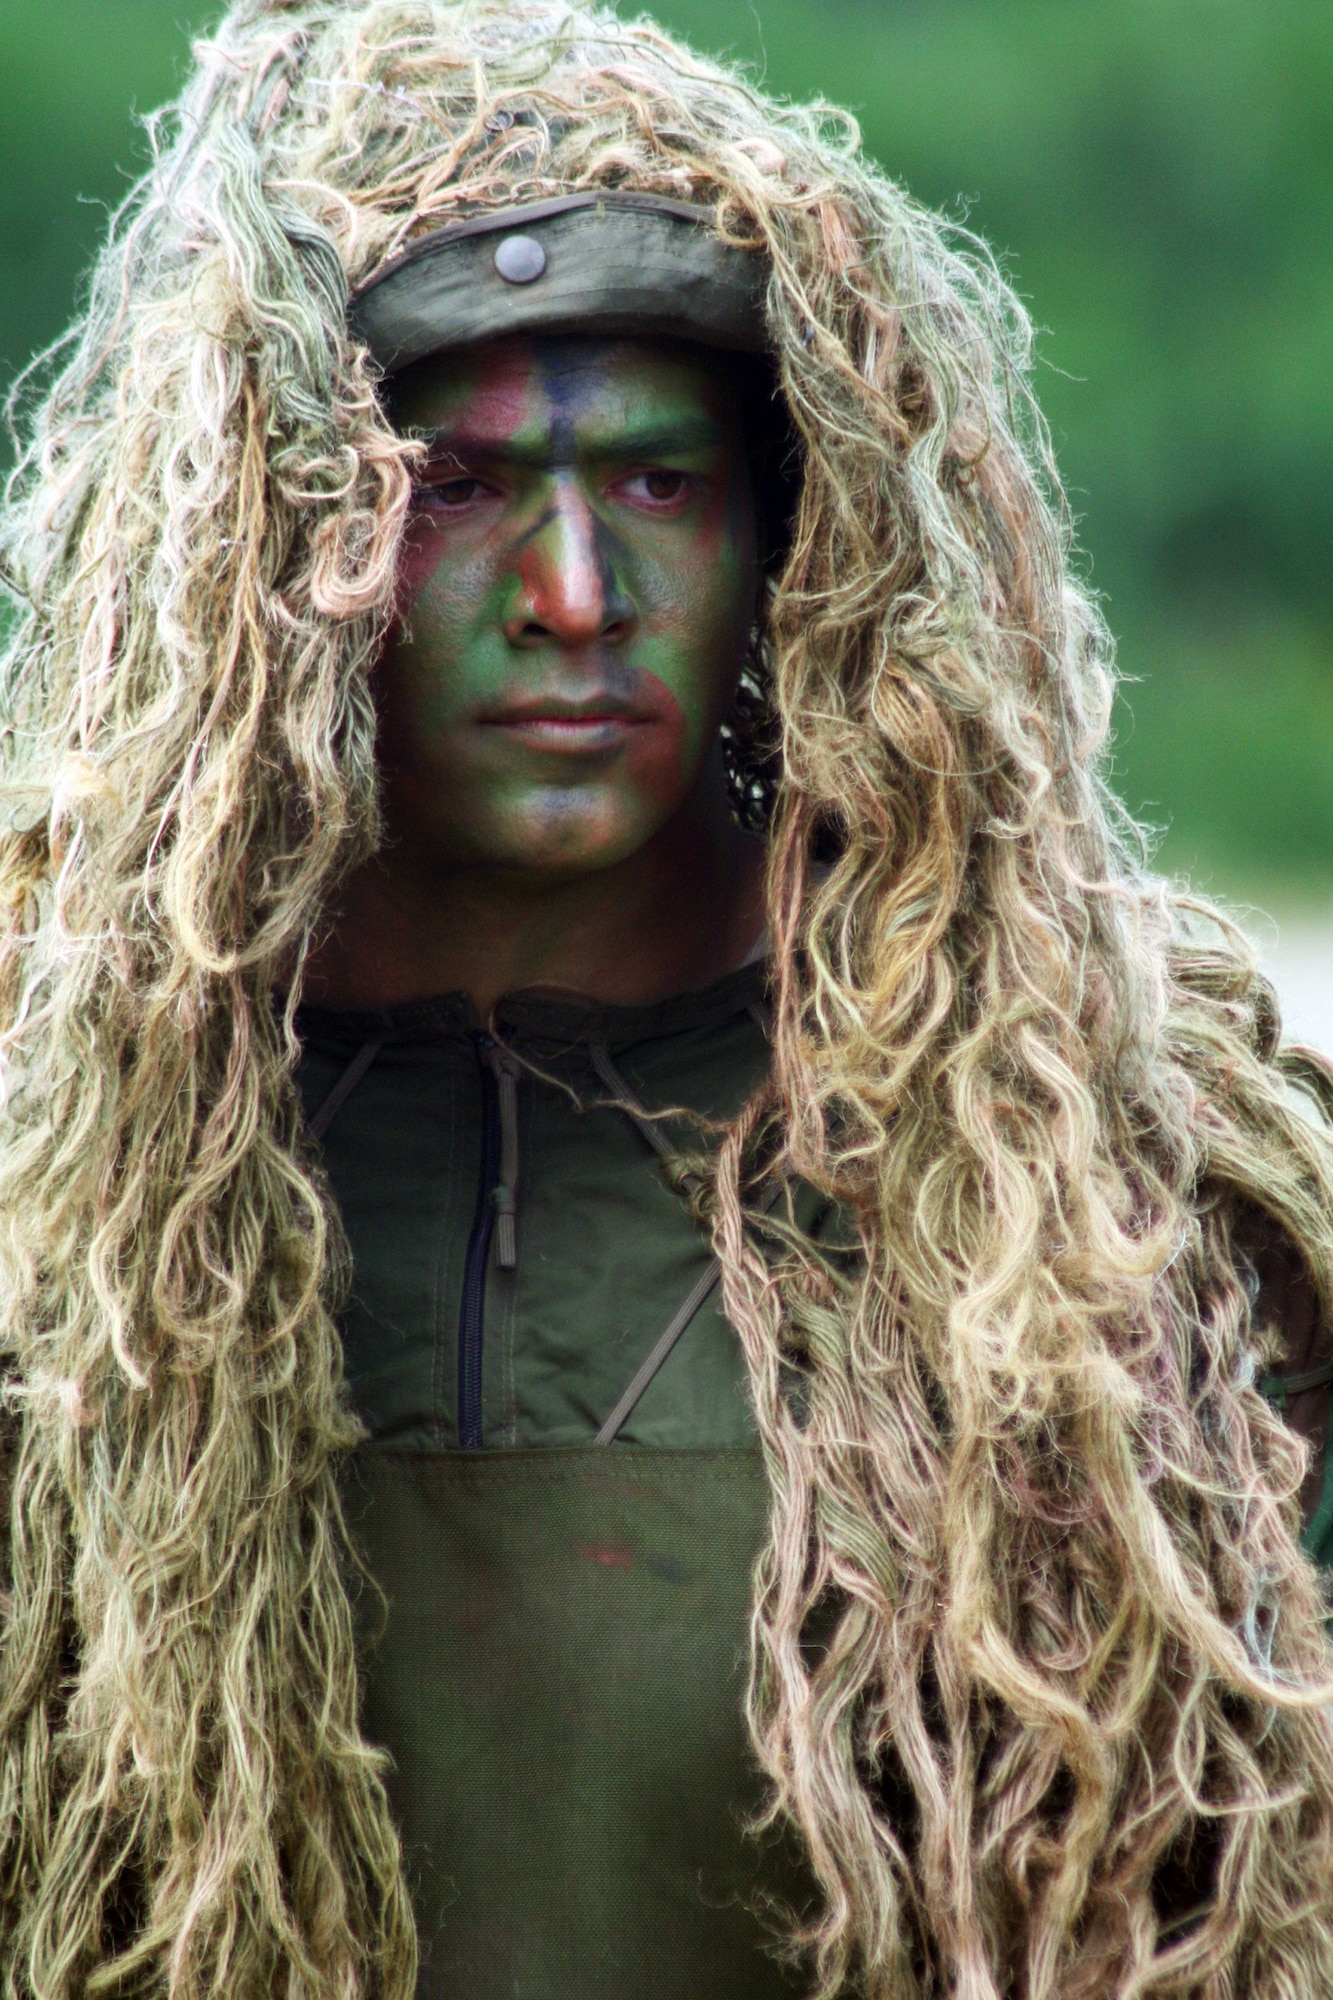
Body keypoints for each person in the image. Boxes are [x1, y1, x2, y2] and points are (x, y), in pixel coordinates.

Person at [2, 3, 1333, 1996]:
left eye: (651, 485)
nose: (565, 595)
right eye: (452, 486)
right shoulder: (67, 1231)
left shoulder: (1087, 1216)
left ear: (790, 543)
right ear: (260, 549)